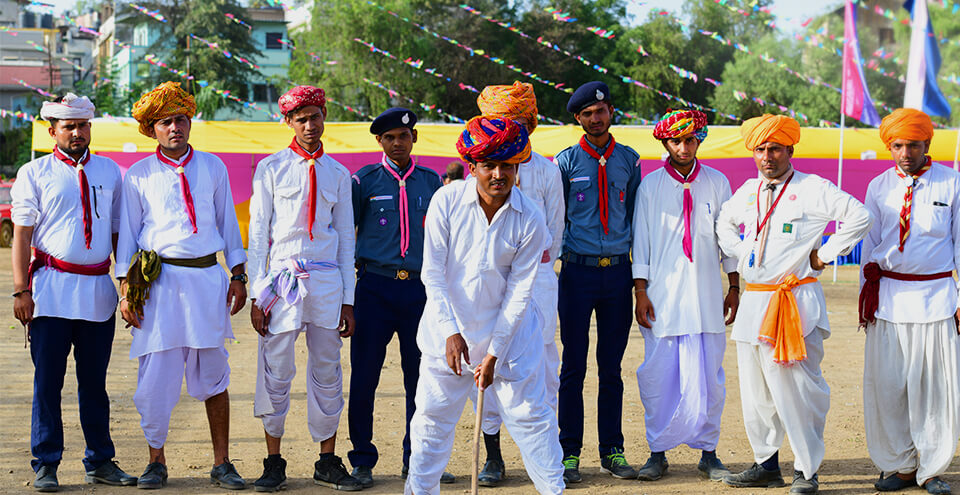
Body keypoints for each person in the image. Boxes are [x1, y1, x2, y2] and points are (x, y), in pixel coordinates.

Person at [405, 116, 564, 495]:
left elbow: (520, 293)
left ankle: (554, 491)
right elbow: (433, 274)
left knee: (533, 420)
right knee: (431, 423)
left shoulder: (531, 218)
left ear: (517, 168)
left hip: (510, 343)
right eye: (489, 165)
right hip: (446, 340)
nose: (498, 174)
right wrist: (451, 333)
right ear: (472, 166)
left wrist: (493, 354)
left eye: (506, 166)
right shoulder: (446, 202)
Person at [716, 114, 872, 494]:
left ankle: (806, 470)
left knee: (799, 391)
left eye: (775, 149)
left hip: (795, 302)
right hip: (755, 304)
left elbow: (859, 216)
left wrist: (825, 255)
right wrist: (742, 252)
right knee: (756, 394)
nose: (767, 156)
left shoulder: (813, 187)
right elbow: (723, 223)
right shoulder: (747, 191)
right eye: (761, 149)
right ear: (753, 152)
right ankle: (766, 464)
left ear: (790, 149)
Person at [117, 81, 248, 490]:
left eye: (181, 119)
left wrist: (239, 275)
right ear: (152, 129)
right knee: (155, 378)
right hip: (159, 288)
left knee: (214, 374)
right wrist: (126, 290)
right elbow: (127, 236)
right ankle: (156, 461)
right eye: (166, 121)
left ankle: (222, 462)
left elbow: (229, 224)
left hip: (208, 281)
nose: (175, 127)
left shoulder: (213, 166)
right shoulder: (138, 175)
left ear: (190, 122)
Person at [11, 93, 136, 491]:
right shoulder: (34, 172)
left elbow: (119, 232)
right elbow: (22, 235)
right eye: (69, 126)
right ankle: (46, 463)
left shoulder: (111, 171)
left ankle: (99, 460)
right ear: (53, 131)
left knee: (94, 383)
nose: (78, 133)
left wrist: (126, 282)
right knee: (48, 382)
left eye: (83, 125)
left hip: (98, 292)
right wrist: (20, 290)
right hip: (49, 292)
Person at [247, 85, 363, 492]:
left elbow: (347, 238)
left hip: (328, 282)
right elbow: (258, 235)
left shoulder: (338, 174)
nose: (310, 125)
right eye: (301, 119)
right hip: (281, 282)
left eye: (315, 117)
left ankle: (327, 461)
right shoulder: (270, 168)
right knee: (276, 370)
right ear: (288, 123)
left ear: (324, 116)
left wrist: (348, 300)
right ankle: (273, 461)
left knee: (328, 370)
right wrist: (258, 294)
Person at [631, 109, 738, 482]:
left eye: (690, 139)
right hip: (663, 298)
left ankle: (709, 453)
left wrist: (734, 285)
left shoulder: (718, 182)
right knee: (659, 376)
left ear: (699, 141)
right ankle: (656, 453)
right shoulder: (651, 186)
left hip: (708, 298)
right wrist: (641, 291)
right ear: (665, 142)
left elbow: (729, 241)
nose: (684, 146)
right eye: (676, 140)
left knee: (710, 376)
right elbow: (641, 241)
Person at [346, 107, 451, 487]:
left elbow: (444, 241)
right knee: (365, 376)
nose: (397, 143)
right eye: (389, 138)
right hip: (375, 287)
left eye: (403, 137)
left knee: (421, 378)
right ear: (379, 142)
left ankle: (418, 457)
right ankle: (362, 459)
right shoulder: (364, 182)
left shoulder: (432, 182)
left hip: (419, 291)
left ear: (414, 139)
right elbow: (346, 238)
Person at [859, 108, 960, 495]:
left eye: (913, 145)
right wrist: (866, 298)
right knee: (889, 387)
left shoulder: (951, 183)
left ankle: (931, 469)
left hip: (936, 301)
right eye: (898, 145)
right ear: (889, 147)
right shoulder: (878, 186)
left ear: (927, 145)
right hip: (888, 301)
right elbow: (870, 244)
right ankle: (900, 465)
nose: (905, 152)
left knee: (934, 389)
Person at [472, 81, 564, 486]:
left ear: (530, 124)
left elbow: (554, 235)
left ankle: (546, 461)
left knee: (542, 369)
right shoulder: (478, 171)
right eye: (501, 122)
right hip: (489, 282)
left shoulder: (546, 170)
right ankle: (493, 457)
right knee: (488, 364)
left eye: (517, 122)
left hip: (538, 281)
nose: (510, 129)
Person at [554, 81, 642, 483]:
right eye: (587, 113)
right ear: (578, 118)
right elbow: (557, 222)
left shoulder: (630, 160)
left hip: (618, 274)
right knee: (572, 365)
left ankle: (613, 451)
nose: (595, 118)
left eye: (601, 111)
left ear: (611, 114)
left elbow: (637, 221)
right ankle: (568, 452)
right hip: (577, 272)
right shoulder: (566, 162)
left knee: (611, 367)